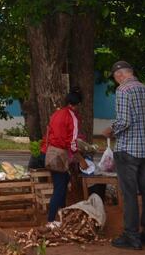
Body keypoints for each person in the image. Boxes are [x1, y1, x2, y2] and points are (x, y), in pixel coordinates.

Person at [102, 61, 145, 250]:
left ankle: (131, 235)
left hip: (128, 150)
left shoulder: (123, 91)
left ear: (119, 76)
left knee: (129, 195)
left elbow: (124, 121)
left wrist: (111, 130)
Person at [41, 91, 88, 228]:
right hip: (58, 154)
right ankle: (51, 220)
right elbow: (72, 142)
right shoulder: (72, 117)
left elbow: (50, 131)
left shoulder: (57, 113)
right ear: (77, 104)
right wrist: (81, 160)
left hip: (48, 151)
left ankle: (61, 213)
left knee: (63, 181)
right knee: (60, 187)